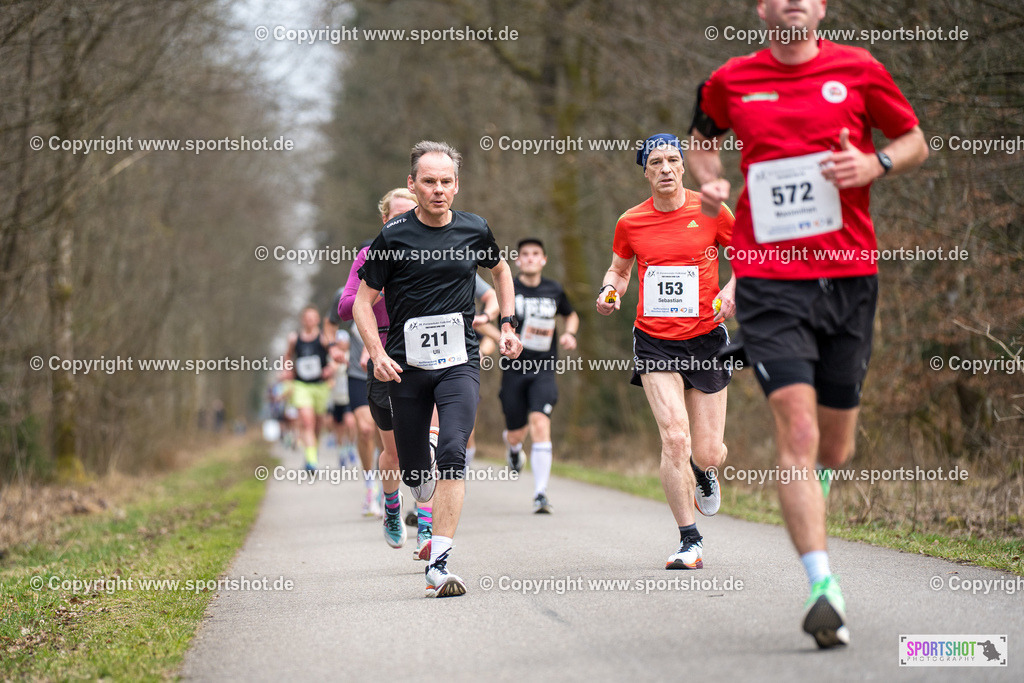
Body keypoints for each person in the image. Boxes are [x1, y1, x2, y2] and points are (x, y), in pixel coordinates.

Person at [687, 0, 929, 648]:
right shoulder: (730, 79)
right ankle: (824, 586)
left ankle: (814, 499)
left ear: (821, 7)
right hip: (769, 279)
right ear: (762, 8)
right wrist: (710, 183)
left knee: (833, 445)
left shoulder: (859, 69)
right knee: (795, 425)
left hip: (849, 276)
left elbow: (914, 140)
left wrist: (875, 164)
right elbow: (701, 141)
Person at [353, 140, 522, 598]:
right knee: (415, 474)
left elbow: (501, 271)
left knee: (452, 450)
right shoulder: (394, 237)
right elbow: (363, 305)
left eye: (446, 182)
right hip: (405, 368)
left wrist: (507, 323)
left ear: (457, 185)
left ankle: (440, 563)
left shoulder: (474, 229)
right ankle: (413, 489)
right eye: (429, 182)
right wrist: (378, 351)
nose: (438, 190)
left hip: (459, 362)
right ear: (413, 184)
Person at [596, 133, 735, 571]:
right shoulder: (631, 222)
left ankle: (704, 471)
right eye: (656, 162)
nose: (666, 168)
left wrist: (733, 289)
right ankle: (688, 539)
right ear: (646, 171)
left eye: (673, 159)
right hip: (655, 340)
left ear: (683, 165)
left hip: (708, 339)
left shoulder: (712, 209)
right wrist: (609, 292)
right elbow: (619, 270)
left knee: (708, 451)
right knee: (675, 436)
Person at [330, 189, 420, 548]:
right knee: (394, 451)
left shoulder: (437, 250)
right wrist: (378, 291)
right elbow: (345, 306)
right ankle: (392, 506)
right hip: (382, 354)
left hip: (427, 356)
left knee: (430, 445)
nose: (404, 221)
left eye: (410, 214)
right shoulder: (370, 256)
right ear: (385, 220)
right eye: (397, 216)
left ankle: (427, 526)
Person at [499, 237, 578, 513]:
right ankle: (513, 449)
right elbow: (490, 319)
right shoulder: (510, 289)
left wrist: (569, 333)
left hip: (544, 369)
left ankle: (540, 493)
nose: (531, 258)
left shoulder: (554, 289)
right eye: (525, 254)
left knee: (540, 423)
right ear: (518, 260)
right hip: (513, 370)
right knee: (516, 433)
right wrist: (498, 336)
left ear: (544, 259)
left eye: (536, 254)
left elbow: (571, 314)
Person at [284, 306, 335, 471]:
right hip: (301, 385)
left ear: (318, 320)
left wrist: (331, 368)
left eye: (313, 318)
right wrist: (288, 370)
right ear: (302, 320)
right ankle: (311, 460)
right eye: (307, 318)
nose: (310, 321)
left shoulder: (323, 338)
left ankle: (313, 449)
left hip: (320, 386)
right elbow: (288, 356)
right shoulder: (294, 338)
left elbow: (335, 357)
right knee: (307, 422)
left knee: (318, 425)